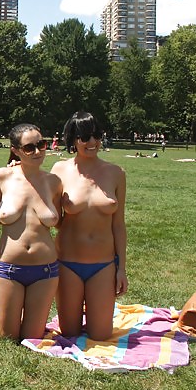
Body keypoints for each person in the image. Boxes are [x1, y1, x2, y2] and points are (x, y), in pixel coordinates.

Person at [51, 112, 127, 340]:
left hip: (103, 265)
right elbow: (53, 217)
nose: (92, 142)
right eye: (85, 137)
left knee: (101, 335)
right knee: (70, 333)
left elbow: (119, 225)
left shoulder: (116, 173)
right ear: (73, 140)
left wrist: (121, 268)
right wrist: (16, 166)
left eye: (96, 135)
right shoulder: (60, 170)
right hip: (68, 263)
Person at [0, 124, 61, 340]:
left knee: (32, 339)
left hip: (45, 270)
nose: (37, 152)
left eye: (41, 145)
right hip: (10, 268)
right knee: (7, 337)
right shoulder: (3, 176)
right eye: (29, 148)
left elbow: (61, 220)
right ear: (16, 150)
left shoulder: (54, 182)